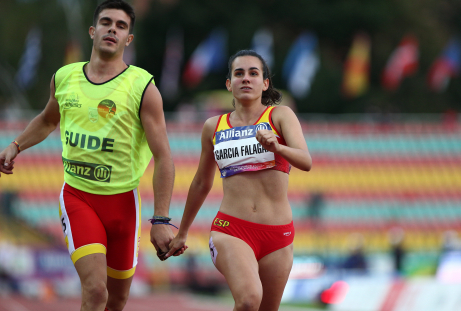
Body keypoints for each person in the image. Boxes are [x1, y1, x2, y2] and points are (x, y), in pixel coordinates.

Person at [0, 1, 185, 310]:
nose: (112, 28)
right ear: (92, 31)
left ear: (129, 40)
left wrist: (162, 219)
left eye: (121, 26)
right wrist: (15, 145)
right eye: (106, 22)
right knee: (95, 291)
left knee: (116, 300)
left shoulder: (143, 87)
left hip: (123, 204)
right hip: (78, 198)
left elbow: (164, 157)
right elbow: (48, 119)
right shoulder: (64, 77)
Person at [166, 50, 312, 311]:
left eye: (254, 73)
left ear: (265, 83)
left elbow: (305, 160)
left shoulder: (280, 116)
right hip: (231, 229)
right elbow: (201, 182)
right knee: (248, 300)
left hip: (278, 236)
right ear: (228, 83)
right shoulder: (214, 126)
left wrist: (278, 147)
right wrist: (183, 232)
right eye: (239, 73)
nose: (246, 79)